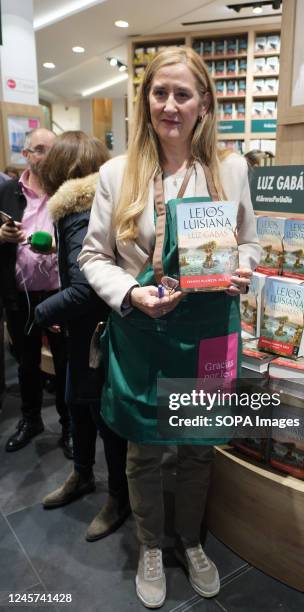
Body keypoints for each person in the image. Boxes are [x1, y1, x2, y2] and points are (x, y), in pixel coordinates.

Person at [79, 47, 260, 608]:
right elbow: (92, 257)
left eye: (183, 94)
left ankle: (191, 541)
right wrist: (130, 292)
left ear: (204, 103)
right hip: (143, 330)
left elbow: (249, 242)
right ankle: (152, 545)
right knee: (145, 449)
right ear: (146, 100)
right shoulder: (116, 173)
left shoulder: (229, 169)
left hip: (208, 330)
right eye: (160, 93)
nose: (171, 105)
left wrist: (243, 272)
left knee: (198, 447)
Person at [34, 131, 130, 541]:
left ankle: (116, 497)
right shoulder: (95, 203)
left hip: (93, 334)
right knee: (80, 405)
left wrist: (41, 311)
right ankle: (86, 477)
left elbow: (85, 288)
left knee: (100, 416)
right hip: (94, 331)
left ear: (65, 168)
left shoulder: (77, 209)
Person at [0, 128, 71, 456]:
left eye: (53, 150)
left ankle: (70, 426)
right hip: (21, 295)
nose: (47, 156)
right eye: (40, 150)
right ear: (26, 154)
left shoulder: (70, 193)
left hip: (61, 295)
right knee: (27, 363)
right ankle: (31, 420)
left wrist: (59, 247)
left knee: (66, 362)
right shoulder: (7, 192)